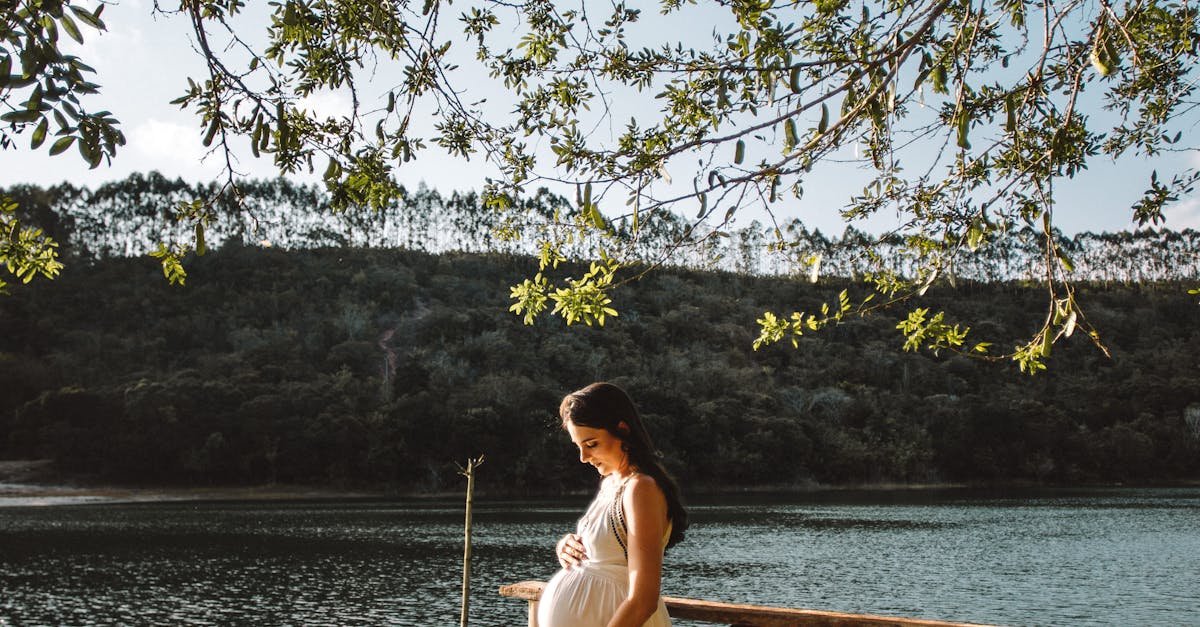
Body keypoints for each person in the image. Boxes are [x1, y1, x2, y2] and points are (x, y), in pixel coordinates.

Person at [537, 382, 688, 627]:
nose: (583, 458)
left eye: (591, 444)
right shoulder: (611, 485)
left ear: (622, 430)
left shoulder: (641, 488)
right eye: (578, 447)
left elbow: (644, 599)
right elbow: (605, 555)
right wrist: (566, 547)